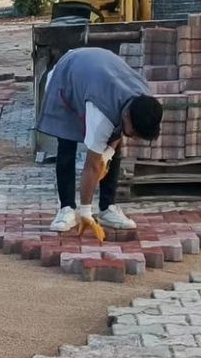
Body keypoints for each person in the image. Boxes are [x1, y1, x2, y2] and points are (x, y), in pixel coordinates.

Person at [37, 47, 163, 234]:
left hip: (98, 73)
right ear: (127, 116)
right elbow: (92, 166)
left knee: (111, 153)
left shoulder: (143, 97)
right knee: (66, 145)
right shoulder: (102, 114)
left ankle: (107, 208)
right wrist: (86, 212)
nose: (134, 137)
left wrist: (109, 152)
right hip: (66, 77)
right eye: (134, 133)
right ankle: (67, 209)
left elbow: (119, 132)